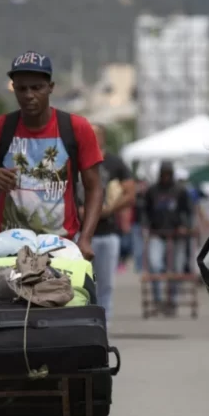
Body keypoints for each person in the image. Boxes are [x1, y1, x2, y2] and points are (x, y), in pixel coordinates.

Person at [0, 50, 104, 416]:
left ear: (50, 87)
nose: (28, 94)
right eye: (21, 87)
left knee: (55, 335)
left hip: (60, 245)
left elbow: (95, 187)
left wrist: (84, 239)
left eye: (36, 87)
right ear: (13, 87)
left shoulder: (74, 128)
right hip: (9, 245)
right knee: (10, 334)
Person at [87, 123, 135, 324]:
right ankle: (84, 325)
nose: (92, 138)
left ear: (103, 138)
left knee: (105, 285)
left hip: (107, 233)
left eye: (96, 135)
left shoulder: (115, 162)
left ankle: (102, 328)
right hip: (80, 234)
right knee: (82, 285)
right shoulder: (75, 161)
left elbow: (130, 193)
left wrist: (109, 209)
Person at [143, 161, 192, 314]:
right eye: (162, 174)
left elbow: (188, 211)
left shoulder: (180, 190)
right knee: (155, 265)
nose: (165, 178)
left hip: (176, 234)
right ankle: (158, 299)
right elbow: (145, 210)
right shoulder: (152, 191)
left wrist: (185, 225)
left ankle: (173, 300)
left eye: (167, 174)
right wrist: (146, 226)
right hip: (157, 233)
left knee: (176, 268)